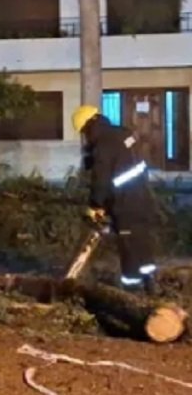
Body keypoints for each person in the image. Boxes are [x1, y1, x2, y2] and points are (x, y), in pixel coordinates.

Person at [72, 105, 160, 294]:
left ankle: (132, 291)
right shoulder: (123, 133)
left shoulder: (103, 145)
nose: (85, 137)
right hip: (143, 197)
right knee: (142, 243)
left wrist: (95, 205)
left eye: (84, 133)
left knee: (128, 249)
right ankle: (151, 285)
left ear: (88, 127)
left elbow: (101, 180)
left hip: (125, 204)